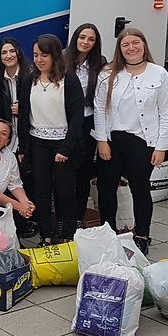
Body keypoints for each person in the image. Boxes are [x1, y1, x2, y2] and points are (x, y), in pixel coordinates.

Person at [94, 28, 168, 254]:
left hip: (142, 141)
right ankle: (107, 231)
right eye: (125, 44)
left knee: (140, 190)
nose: (131, 48)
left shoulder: (159, 74)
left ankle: (142, 234)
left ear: (144, 44)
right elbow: (100, 108)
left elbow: (166, 112)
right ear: (119, 49)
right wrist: (101, 140)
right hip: (112, 140)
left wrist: (161, 146)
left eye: (135, 42)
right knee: (106, 188)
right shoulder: (107, 74)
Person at [17, 34, 85, 244]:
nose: (39, 59)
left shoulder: (69, 79)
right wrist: (22, 148)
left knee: (65, 192)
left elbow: (77, 116)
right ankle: (46, 233)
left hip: (64, 144)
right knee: (42, 191)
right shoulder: (29, 80)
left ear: (55, 55)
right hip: (37, 143)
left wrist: (66, 148)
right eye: (36, 55)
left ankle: (68, 233)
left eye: (44, 55)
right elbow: (24, 115)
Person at [65, 23, 105, 229]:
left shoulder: (100, 64)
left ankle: (79, 216)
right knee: (64, 173)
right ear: (75, 39)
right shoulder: (63, 60)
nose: (85, 42)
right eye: (82, 37)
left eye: (91, 39)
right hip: (64, 123)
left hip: (87, 122)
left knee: (83, 172)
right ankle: (64, 217)